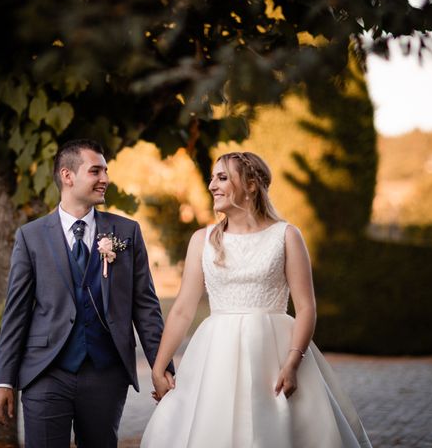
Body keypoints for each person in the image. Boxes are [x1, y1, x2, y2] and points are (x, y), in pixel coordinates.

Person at [142, 151, 372, 448]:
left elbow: (305, 308)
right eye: (212, 178)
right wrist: (160, 366)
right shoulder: (203, 239)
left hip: (274, 355)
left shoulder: (286, 236)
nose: (212, 185)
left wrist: (292, 362)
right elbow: (183, 310)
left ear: (251, 185)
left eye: (222, 178)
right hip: (216, 354)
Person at [0, 139, 172, 448]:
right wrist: (4, 380)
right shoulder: (31, 236)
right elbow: (16, 313)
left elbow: (145, 308)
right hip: (45, 371)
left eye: (106, 171)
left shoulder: (126, 232)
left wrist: (162, 368)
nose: (105, 179)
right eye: (96, 171)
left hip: (106, 373)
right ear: (67, 175)